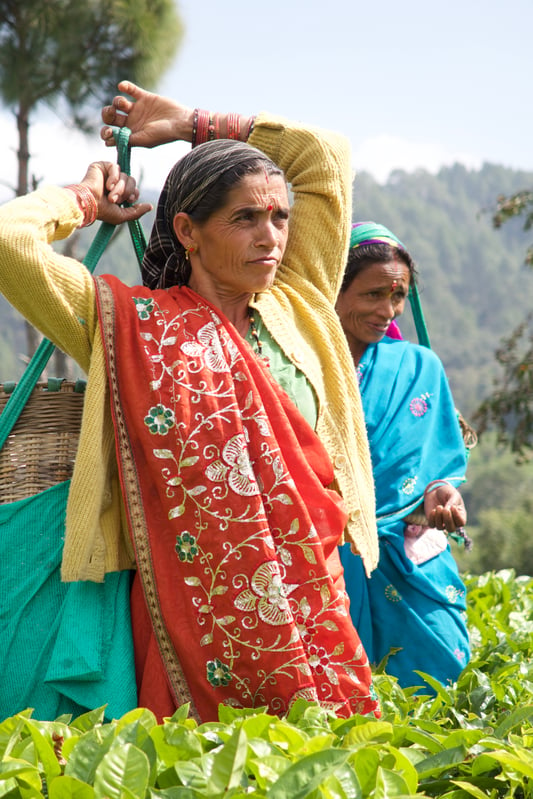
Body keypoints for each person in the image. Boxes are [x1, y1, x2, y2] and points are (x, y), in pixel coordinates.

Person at [0, 82, 380, 722]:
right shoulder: (126, 325)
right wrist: (84, 199)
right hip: (185, 620)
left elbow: (325, 154)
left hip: (313, 598)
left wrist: (192, 123)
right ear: (187, 230)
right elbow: (10, 244)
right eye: (245, 218)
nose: (271, 237)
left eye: (280, 217)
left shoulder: (302, 303)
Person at [336, 221, 472, 689]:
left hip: (408, 555)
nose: (387, 309)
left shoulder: (419, 368)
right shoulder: (301, 368)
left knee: (440, 681)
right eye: (373, 294)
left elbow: (437, 467)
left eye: (397, 296)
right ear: (334, 287)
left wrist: (441, 493)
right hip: (324, 556)